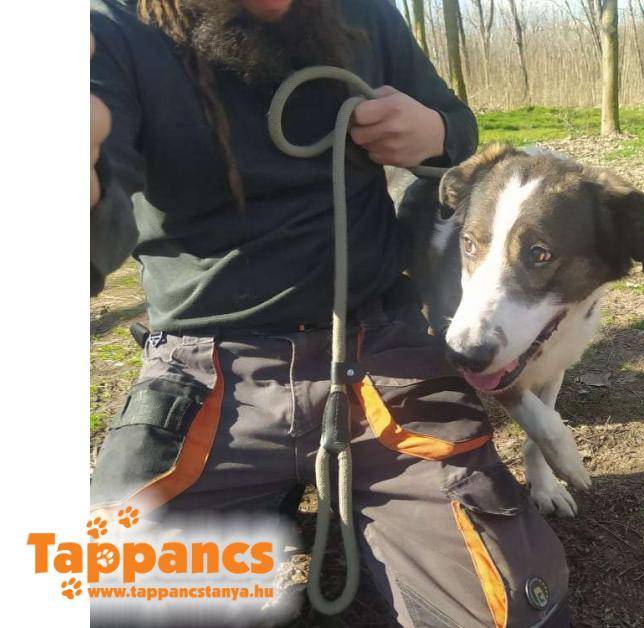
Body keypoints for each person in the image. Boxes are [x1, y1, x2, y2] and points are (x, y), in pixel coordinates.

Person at [89, 1, 570, 625]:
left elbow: (456, 126)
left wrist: (437, 132)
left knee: (510, 611)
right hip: (209, 369)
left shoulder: (366, 12)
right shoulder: (114, 28)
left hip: (380, 356)